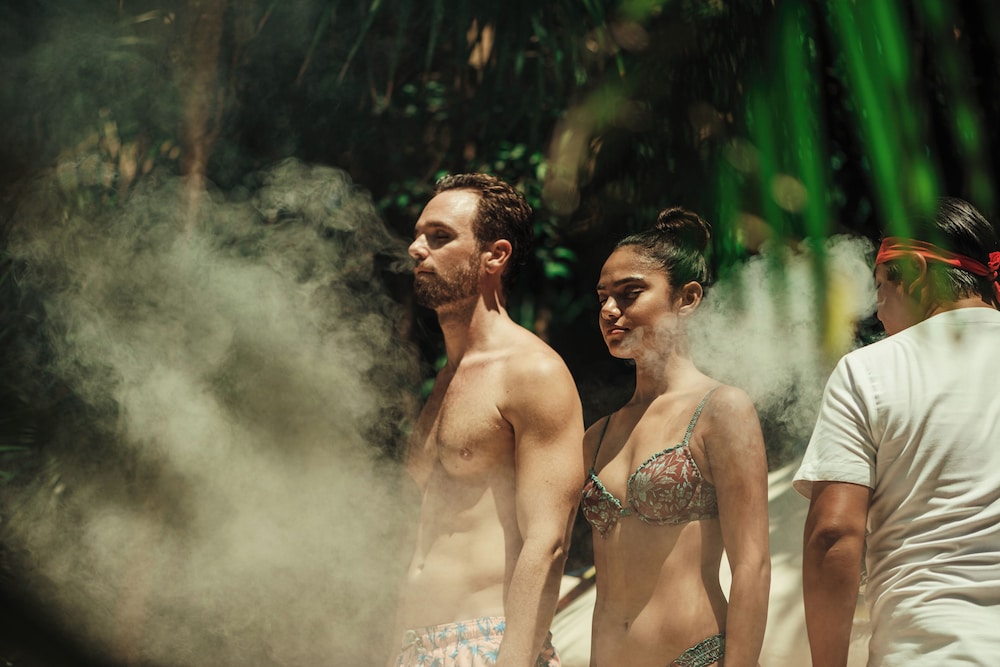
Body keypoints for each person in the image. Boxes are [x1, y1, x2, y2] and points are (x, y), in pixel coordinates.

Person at [794, 196, 1000, 667]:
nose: (879, 310)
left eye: (881, 287)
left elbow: (832, 533)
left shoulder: (867, 371)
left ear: (918, 274)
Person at [389, 173, 585, 667]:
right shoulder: (445, 381)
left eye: (440, 236)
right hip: (417, 647)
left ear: (494, 256)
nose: (416, 248)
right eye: (418, 235)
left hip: (488, 644)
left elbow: (548, 541)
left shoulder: (532, 372)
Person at [580, 207, 770, 667]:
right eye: (603, 297)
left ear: (687, 298)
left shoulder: (721, 410)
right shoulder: (598, 435)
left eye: (629, 293)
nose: (609, 310)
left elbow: (752, 565)